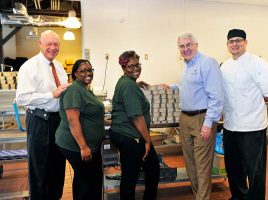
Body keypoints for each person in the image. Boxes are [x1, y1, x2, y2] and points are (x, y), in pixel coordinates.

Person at [221, 29, 268, 200]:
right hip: (230, 127)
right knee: (233, 168)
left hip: (252, 127)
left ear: (246, 42)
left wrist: (252, 104)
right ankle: (238, 197)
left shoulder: (258, 63)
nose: (235, 44)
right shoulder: (225, 66)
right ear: (227, 45)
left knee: (255, 170)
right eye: (231, 41)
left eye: (239, 40)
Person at [164, 32, 223, 200]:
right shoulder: (187, 66)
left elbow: (216, 96)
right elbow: (187, 87)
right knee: (190, 164)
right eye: (182, 46)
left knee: (202, 165)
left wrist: (208, 123)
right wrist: (171, 87)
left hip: (201, 119)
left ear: (196, 45)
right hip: (185, 118)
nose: (185, 49)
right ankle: (199, 195)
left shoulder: (207, 63)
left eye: (188, 45)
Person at [16, 30, 70, 199]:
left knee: (57, 167)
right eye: (49, 44)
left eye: (56, 44)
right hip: (39, 121)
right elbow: (22, 99)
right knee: (39, 169)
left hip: (58, 122)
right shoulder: (29, 67)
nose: (53, 48)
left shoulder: (59, 67)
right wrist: (51, 94)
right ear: (40, 44)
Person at [109, 51, 160, 200]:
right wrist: (147, 140)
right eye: (130, 66)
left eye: (137, 65)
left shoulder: (126, 81)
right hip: (130, 135)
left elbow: (128, 89)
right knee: (134, 174)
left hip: (124, 133)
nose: (135, 69)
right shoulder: (129, 86)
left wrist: (136, 83)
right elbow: (137, 117)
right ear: (124, 67)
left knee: (147, 168)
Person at [55, 59, 105, 200]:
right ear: (75, 73)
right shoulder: (74, 90)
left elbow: (88, 114)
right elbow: (72, 120)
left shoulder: (84, 88)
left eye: (89, 70)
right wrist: (83, 147)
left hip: (88, 145)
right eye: (82, 71)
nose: (87, 73)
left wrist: (106, 121)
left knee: (83, 181)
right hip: (75, 145)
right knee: (90, 183)